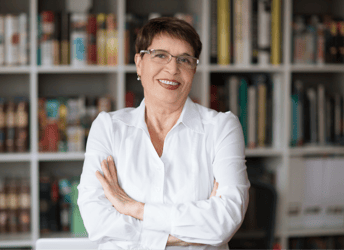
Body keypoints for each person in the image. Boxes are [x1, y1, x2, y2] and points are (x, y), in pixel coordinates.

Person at [78, 17, 250, 250]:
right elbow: (97, 222)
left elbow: (225, 220)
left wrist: (134, 209)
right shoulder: (108, 127)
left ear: (194, 69)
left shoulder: (222, 128)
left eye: (185, 59)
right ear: (139, 63)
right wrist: (183, 235)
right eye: (160, 55)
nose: (172, 68)